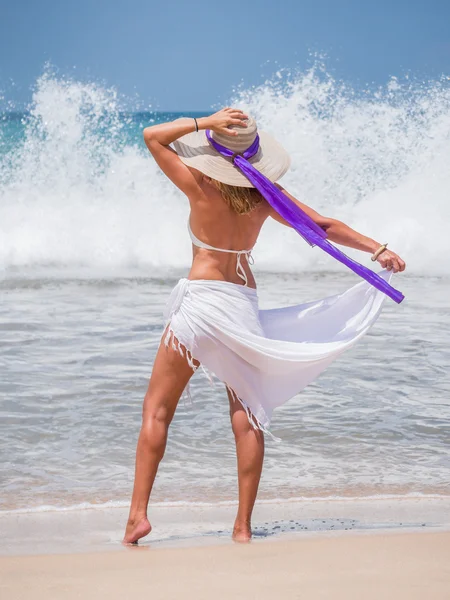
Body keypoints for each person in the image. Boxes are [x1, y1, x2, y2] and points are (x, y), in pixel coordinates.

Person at [123, 108, 406, 544]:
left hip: (200, 306)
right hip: (240, 307)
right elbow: (323, 226)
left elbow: (152, 136)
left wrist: (205, 122)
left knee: (157, 410)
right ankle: (242, 527)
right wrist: (378, 247)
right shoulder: (265, 197)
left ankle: (137, 517)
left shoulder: (199, 186)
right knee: (246, 416)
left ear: (214, 155)